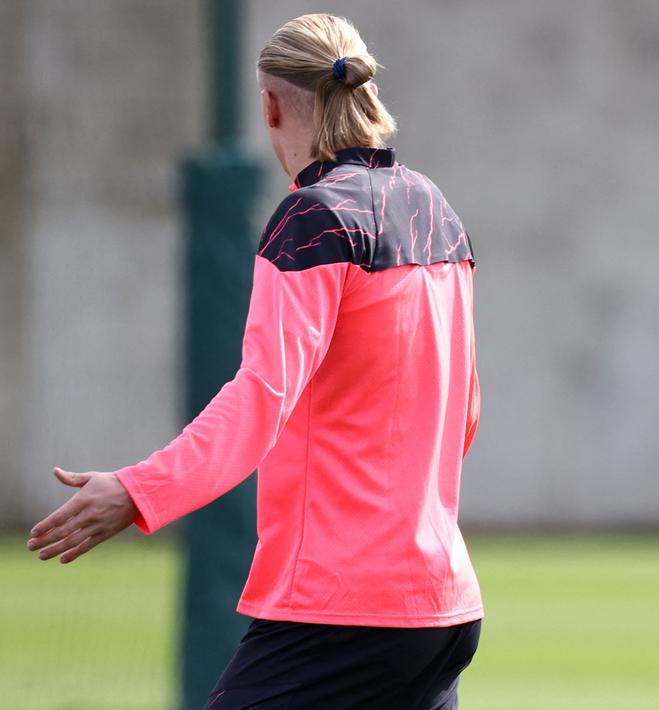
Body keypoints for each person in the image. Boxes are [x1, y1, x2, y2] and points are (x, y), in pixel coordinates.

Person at [27, 14, 483, 708]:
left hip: (340, 613)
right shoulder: (435, 210)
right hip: (441, 608)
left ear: (269, 104)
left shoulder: (312, 220)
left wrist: (139, 491)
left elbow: (261, 395)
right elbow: (464, 412)